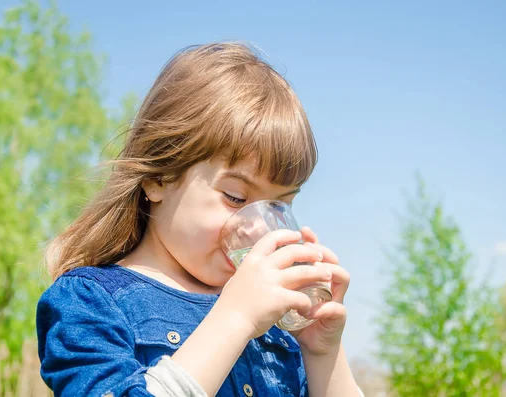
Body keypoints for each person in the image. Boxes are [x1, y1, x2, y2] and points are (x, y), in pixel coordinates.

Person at [36, 42, 362, 397]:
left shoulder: (275, 323)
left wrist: (322, 353)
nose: (257, 228)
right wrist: (235, 319)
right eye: (235, 197)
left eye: (278, 206)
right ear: (159, 178)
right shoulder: (89, 300)